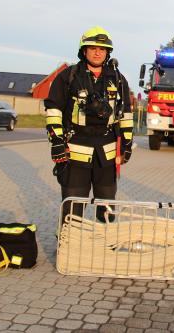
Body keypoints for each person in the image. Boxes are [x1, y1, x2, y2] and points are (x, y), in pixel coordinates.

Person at [44, 27, 133, 222]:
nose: (98, 52)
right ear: (84, 50)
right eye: (92, 48)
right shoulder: (68, 77)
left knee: (107, 205)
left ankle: (106, 244)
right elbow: (53, 111)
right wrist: (57, 142)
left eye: (102, 49)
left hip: (106, 153)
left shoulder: (117, 79)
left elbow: (125, 113)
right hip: (75, 151)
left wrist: (127, 143)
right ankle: (69, 245)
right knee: (73, 206)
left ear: (108, 53)